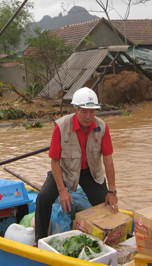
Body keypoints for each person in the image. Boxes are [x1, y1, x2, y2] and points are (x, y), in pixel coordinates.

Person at [34, 87, 118, 243]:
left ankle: (108, 239)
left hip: (90, 172)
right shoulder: (61, 127)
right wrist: (62, 191)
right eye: (84, 112)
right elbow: (55, 160)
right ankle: (40, 241)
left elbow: (108, 159)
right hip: (65, 170)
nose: (88, 116)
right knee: (43, 198)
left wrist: (112, 191)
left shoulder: (102, 128)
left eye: (92, 112)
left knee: (105, 204)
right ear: (75, 110)